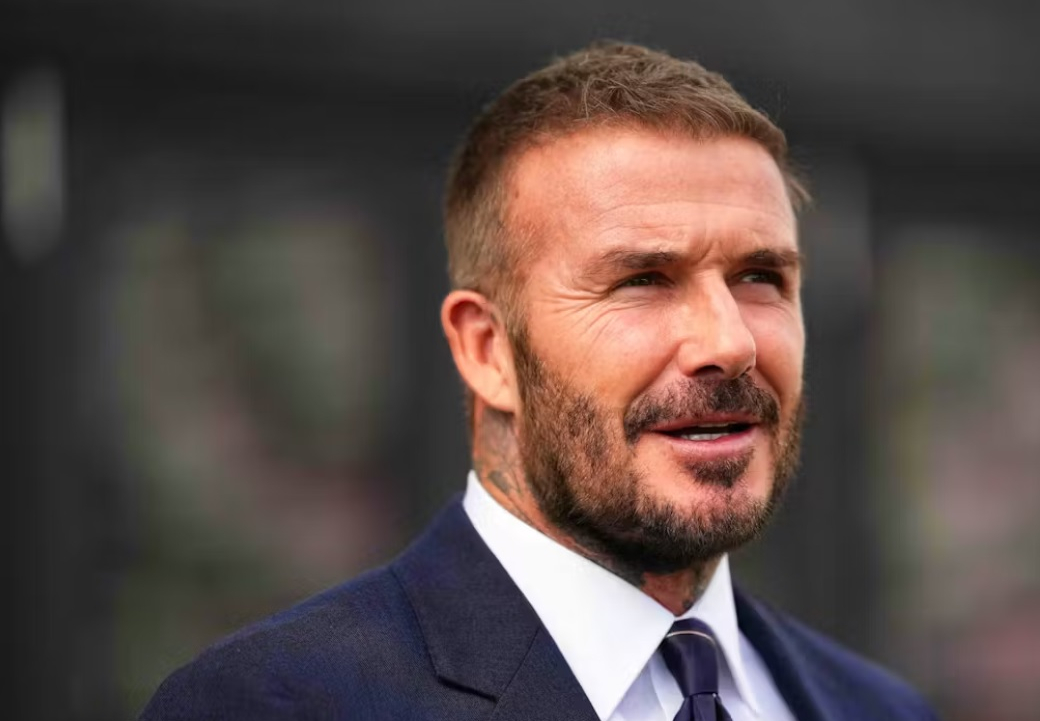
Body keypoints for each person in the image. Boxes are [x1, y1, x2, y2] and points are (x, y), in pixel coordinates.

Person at [141, 41, 938, 721]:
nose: (728, 342)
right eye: (641, 280)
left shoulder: (879, 709)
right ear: (486, 349)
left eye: (760, 276)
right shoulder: (278, 703)